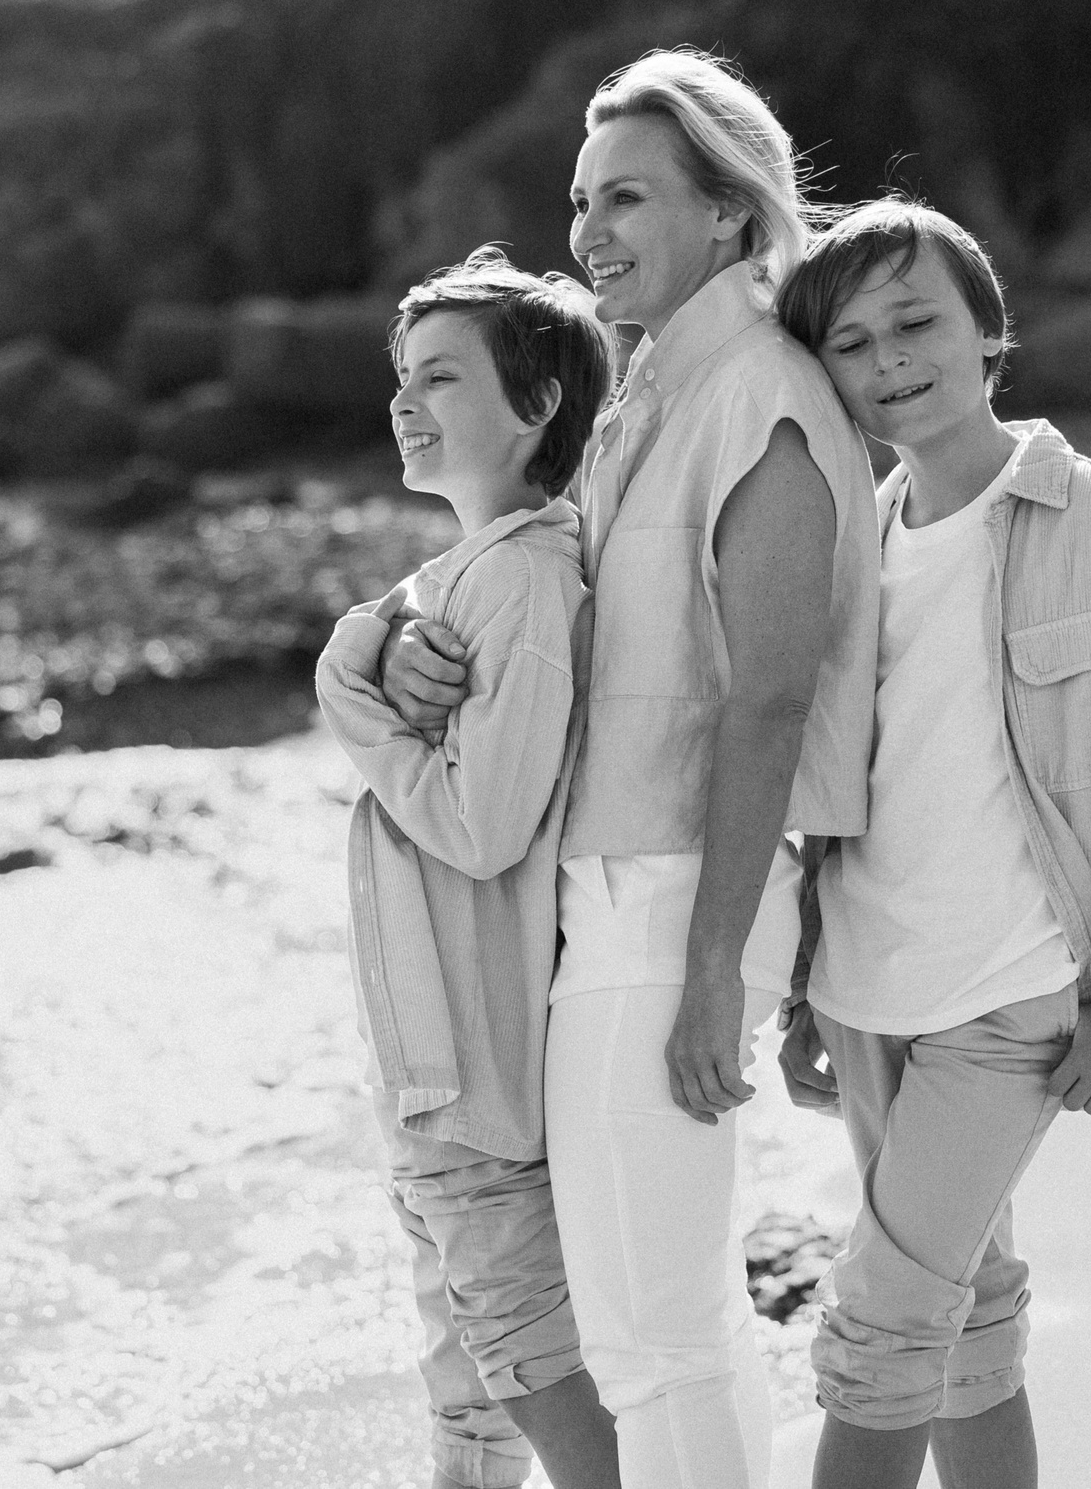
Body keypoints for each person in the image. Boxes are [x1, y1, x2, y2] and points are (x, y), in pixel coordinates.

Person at [382, 49, 880, 1488]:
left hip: (673, 895)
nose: (591, 230)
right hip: (617, 891)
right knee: (667, 1321)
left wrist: (719, 960)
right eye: (583, 198)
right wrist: (392, 642)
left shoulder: (767, 394)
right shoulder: (650, 394)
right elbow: (533, 586)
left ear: (731, 215)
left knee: (647, 1330)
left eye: (632, 197)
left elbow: (770, 698)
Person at [771, 198, 1091, 1489]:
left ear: (989, 330)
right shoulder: (850, 548)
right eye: (854, 342)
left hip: (1014, 992)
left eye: (917, 320)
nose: (890, 358)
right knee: (965, 1324)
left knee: (877, 1332)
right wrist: (809, 985)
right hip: (872, 991)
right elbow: (838, 791)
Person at [313, 249, 620, 1489]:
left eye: (440, 375)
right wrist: (376, 633)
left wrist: (352, 692)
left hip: (479, 1070)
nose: (405, 399)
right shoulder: (464, 577)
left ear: (538, 402)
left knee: (520, 1358)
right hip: (432, 1063)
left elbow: (481, 825)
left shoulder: (528, 579)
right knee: (468, 1380)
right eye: (400, 374)